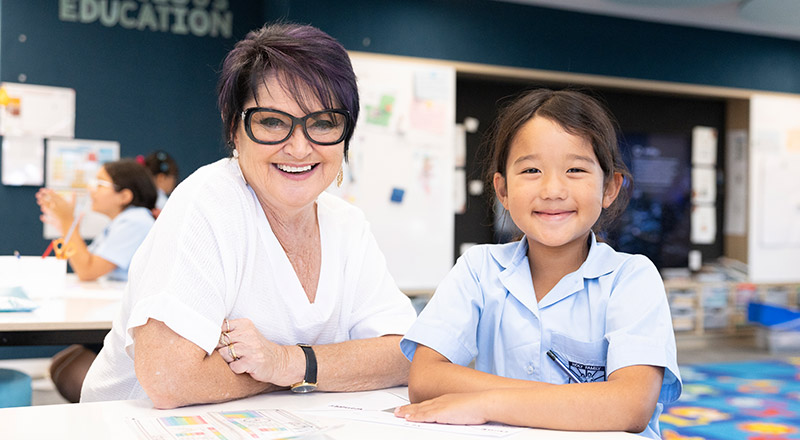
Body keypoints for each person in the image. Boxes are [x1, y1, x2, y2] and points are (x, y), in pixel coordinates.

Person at [80, 22, 417, 408]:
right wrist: (324, 367)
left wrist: (287, 362)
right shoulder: (208, 202)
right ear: (234, 132)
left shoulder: (347, 224)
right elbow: (168, 377)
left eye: (323, 122)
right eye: (271, 121)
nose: (299, 147)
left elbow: (407, 354)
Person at [394, 89, 682, 439]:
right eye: (531, 170)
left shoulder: (632, 278)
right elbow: (425, 379)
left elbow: (631, 405)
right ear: (502, 190)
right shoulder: (478, 268)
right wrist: (586, 402)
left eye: (575, 169)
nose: (552, 189)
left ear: (610, 188)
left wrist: (488, 403)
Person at [36, 158, 157, 403]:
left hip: (131, 321)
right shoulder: (121, 223)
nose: (91, 189)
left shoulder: (136, 221)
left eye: (100, 183)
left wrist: (68, 222)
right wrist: (64, 225)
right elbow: (86, 264)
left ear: (124, 195)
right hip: (114, 312)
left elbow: (87, 270)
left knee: (69, 372)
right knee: (59, 365)